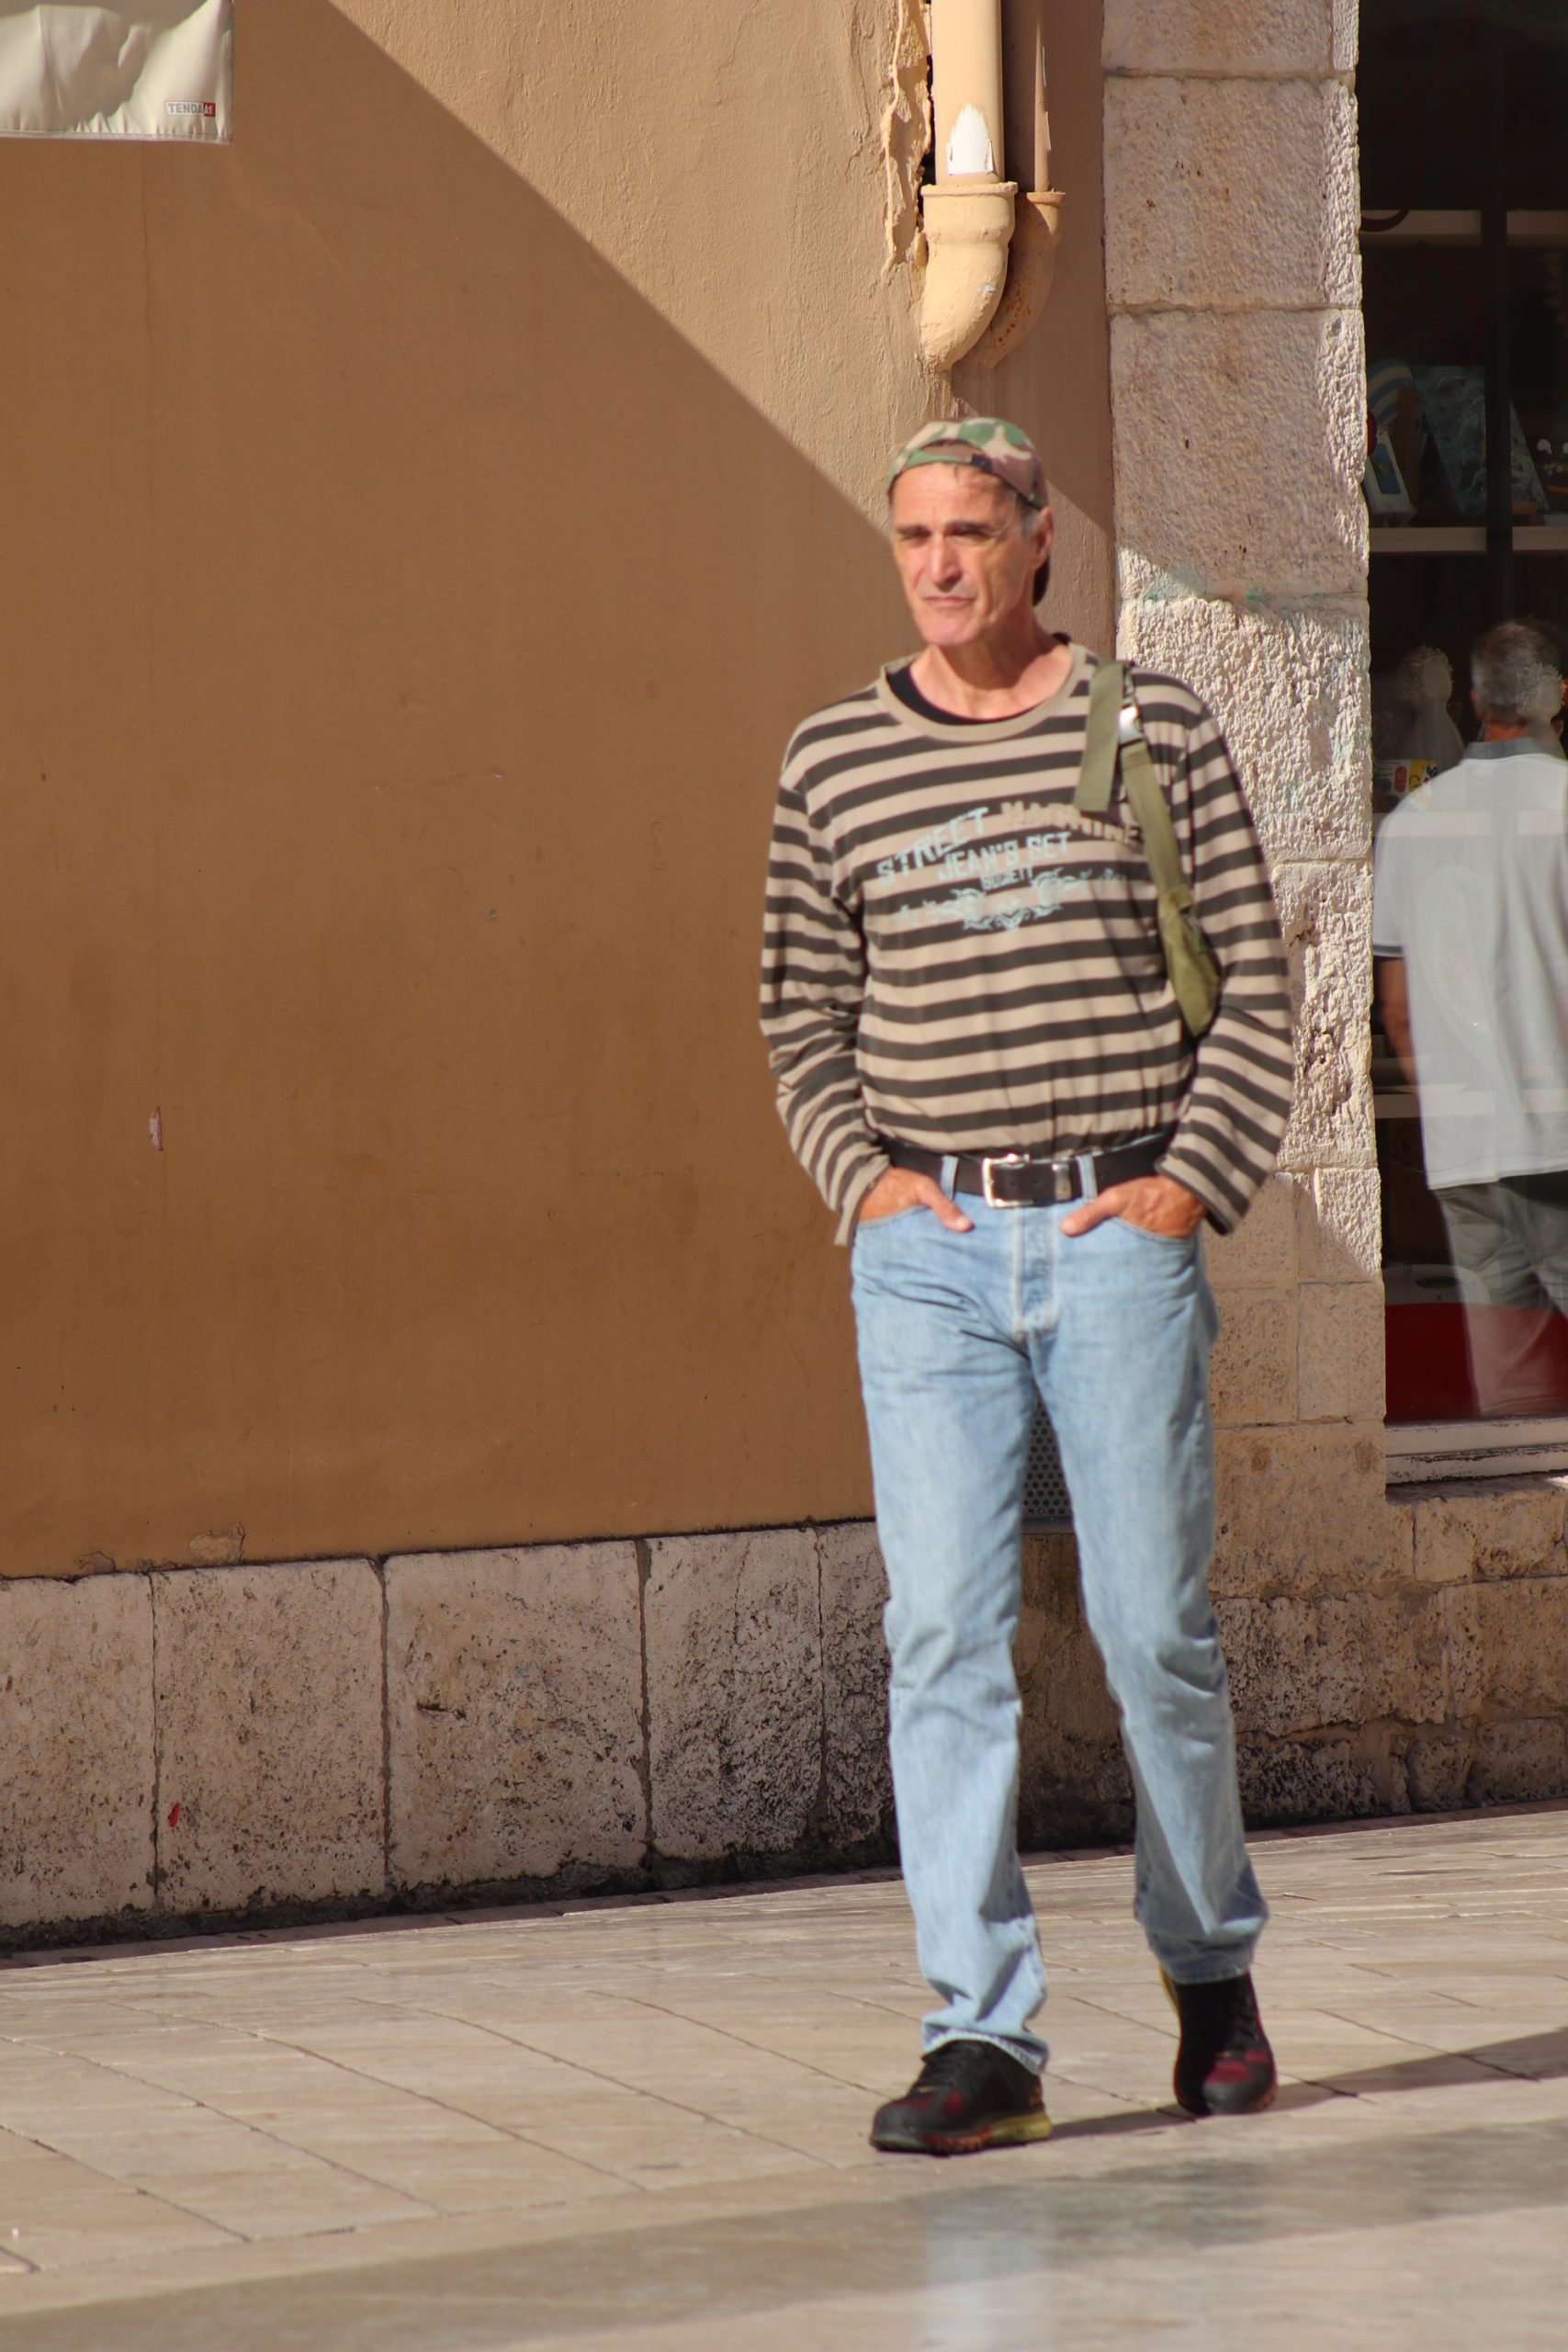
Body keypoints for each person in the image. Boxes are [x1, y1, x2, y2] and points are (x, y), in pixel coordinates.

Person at [759, 416, 1295, 2154]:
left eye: (969, 533)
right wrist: (865, 1185)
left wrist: (1180, 1189)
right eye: (912, 535)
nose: (937, 565)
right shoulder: (834, 758)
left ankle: (1209, 1975)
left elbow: (1256, 988)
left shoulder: (1151, 728)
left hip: (1110, 1234)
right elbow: (798, 1012)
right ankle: (979, 2036)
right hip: (926, 1257)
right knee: (939, 1636)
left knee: (1153, 1633)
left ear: (1036, 539)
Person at [1374, 619, 1568, 1416]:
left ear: (1477, 700)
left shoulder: (1408, 822)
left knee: (1513, 1401)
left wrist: (1453, 1108)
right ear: (1557, 696)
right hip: (1559, 1137)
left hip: (1466, 1153)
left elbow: (1398, 1012)